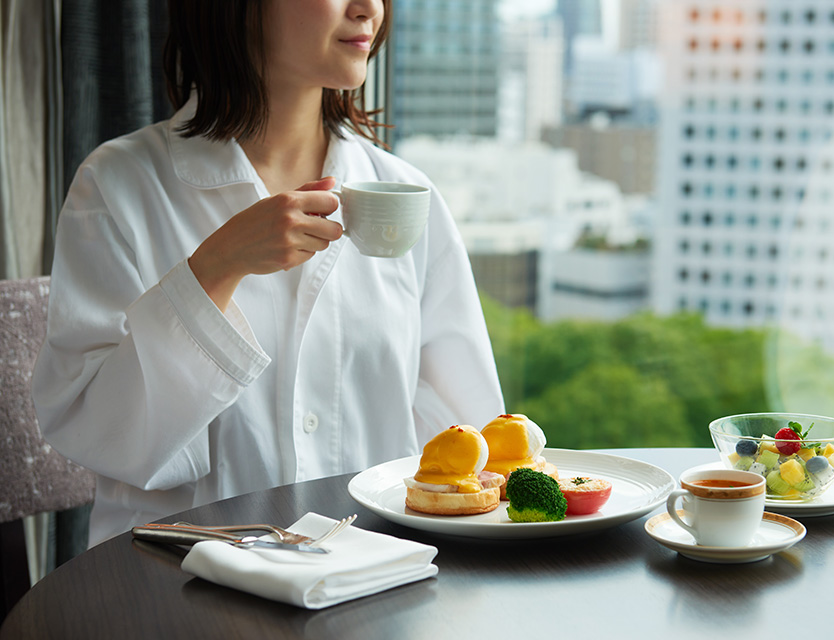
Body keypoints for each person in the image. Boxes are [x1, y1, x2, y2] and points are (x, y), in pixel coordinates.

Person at [32, 0, 504, 546]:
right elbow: (94, 429)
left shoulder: (405, 196)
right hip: (174, 588)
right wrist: (216, 267)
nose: (369, 8)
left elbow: (467, 446)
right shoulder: (118, 187)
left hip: (370, 584)